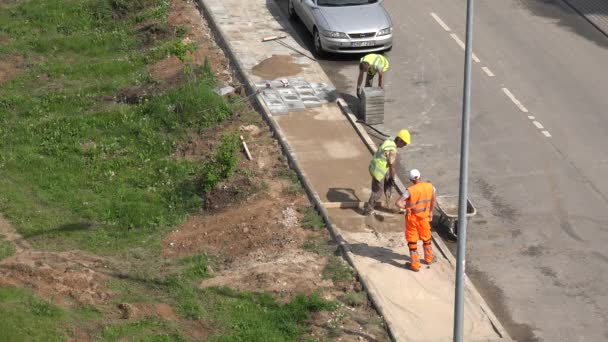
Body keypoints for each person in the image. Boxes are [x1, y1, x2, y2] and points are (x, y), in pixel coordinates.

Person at [395, 169, 436, 272]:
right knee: (426, 238)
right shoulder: (430, 187)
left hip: (412, 219)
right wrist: (430, 212)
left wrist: (408, 207)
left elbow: (398, 203)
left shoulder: (410, 191)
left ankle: (415, 265)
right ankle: (429, 259)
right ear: (420, 176)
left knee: (412, 241)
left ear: (411, 179)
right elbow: (433, 200)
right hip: (424, 218)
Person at [363, 129, 411, 216]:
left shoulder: (389, 141)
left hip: (375, 167)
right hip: (379, 172)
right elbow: (392, 166)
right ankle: (368, 210)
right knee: (377, 192)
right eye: (404, 143)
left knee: (384, 185)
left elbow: (382, 147)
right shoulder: (392, 150)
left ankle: (388, 199)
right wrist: (392, 178)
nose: (404, 145)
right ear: (399, 140)